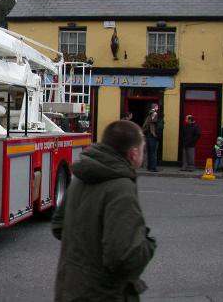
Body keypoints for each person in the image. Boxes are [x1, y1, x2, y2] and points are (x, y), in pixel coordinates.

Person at [52, 120, 157, 302]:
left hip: (69, 288)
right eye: (143, 149)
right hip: (102, 294)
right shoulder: (121, 187)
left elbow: (59, 225)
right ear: (133, 153)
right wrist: (147, 243)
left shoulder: (81, 177)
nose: (143, 153)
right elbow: (124, 257)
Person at [142, 103, 162, 172]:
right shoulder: (155, 114)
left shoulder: (148, 115)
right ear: (155, 107)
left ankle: (149, 167)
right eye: (157, 107)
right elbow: (157, 125)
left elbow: (145, 125)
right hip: (153, 137)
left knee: (149, 152)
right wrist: (157, 136)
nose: (158, 108)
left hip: (148, 136)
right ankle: (153, 167)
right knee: (153, 153)